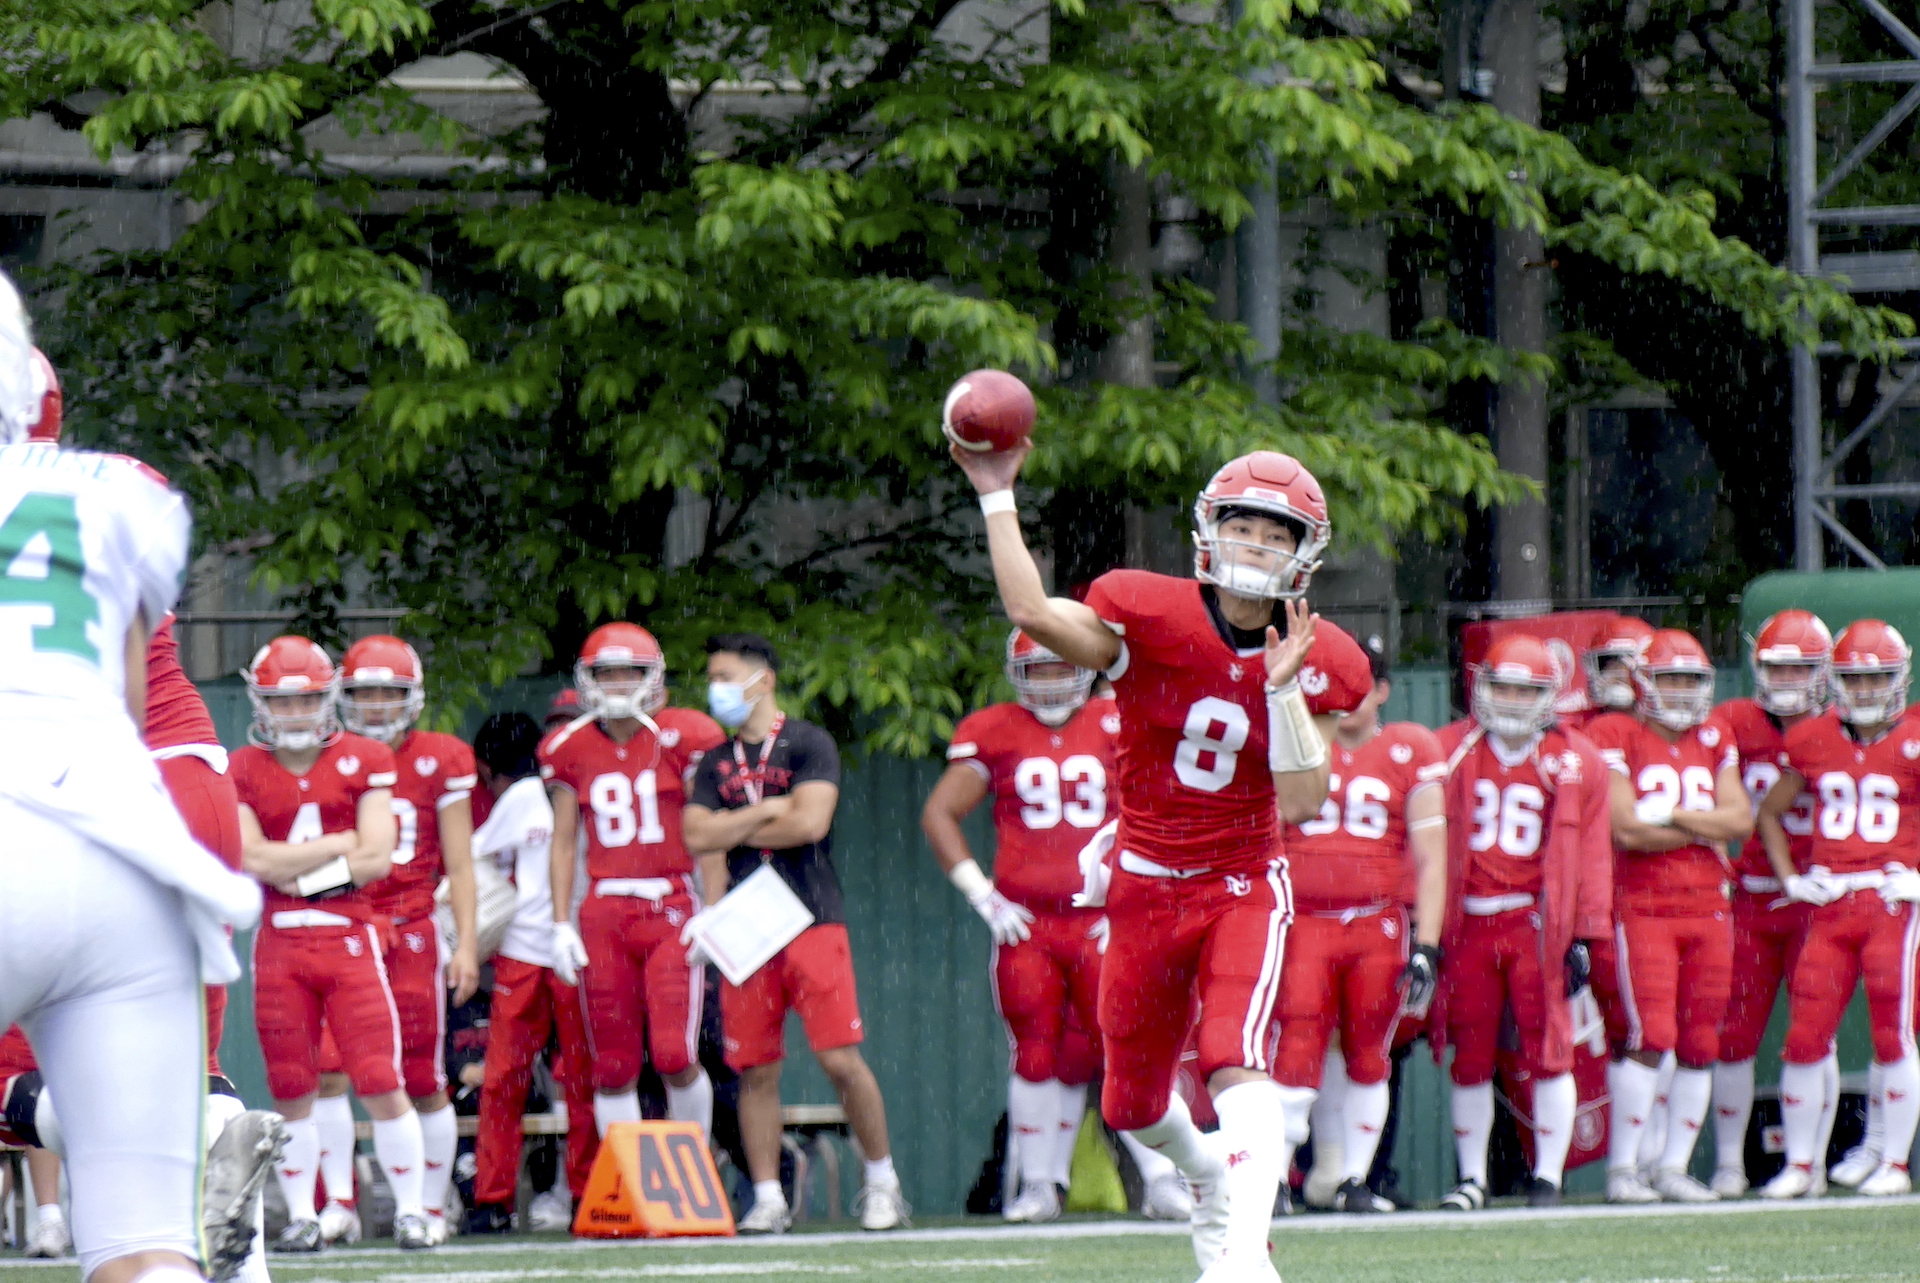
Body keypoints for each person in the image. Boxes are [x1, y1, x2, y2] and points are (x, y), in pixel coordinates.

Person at [951, 441, 1367, 1283]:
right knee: (1132, 1104)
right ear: (1208, 531)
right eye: (1241, 526)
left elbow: (1301, 801)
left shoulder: (1322, 655)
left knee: (1232, 1051)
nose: (1255, 546)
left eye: (1274, 533)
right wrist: (997, 492)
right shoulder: (1145, 612)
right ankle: (1211, 1176)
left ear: (1304, 554)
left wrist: (1283, 687)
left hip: (1245, 880)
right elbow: (1032, 611)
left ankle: (1244, 1259)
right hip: (1143, 885)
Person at [0, 268, 266, 1283]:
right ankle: (211, 1172)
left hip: (24, 803)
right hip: (157, 789)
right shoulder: (120, 491)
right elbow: (120, 684)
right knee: (150, 1173)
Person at [923, 629, 1186, 1223]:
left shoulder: (1121, 720)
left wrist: (1132, 903)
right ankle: (1041, 1184)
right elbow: (940, 812)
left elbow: (1161, 810)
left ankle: (1165, 1177)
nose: (1048, 683)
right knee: (1037, 1053)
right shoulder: (993, 730)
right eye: (1034, 671)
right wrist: (982, 896)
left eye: (1058, 668)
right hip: (1029, 923)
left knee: (1129, 1046)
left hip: (1103, 920)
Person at [681, 633, 908, 1234]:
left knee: (839, 1058)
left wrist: (736, 824)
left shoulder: (807, 742)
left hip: (810, 916)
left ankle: (882, 1181)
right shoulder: (714, 760)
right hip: (746, 927)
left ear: (763, 679)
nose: (717, 689)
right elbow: (697, 836)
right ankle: (767, 1196)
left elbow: (810, 822)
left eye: (725, 675)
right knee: (754, 1068)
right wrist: (765, 812)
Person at [232, 635, 433, 1251]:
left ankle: (412, 1210)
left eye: (306, 702)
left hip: (347, 934)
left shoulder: (366, 755)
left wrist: (291, 864)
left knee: (377, 1074)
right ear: (260, 703)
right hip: (281, 943)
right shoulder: (240, 767)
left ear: (327, 699)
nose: (293, 715)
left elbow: (374, 859)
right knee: (291, 1082)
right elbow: (248, 855)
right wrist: (333, 846)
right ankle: (304, 1214)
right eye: (280, 703)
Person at [296, 635, 479, 1245]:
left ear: (413, 696)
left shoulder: (441, 758)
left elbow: (460, 863)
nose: (375, 705)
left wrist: (469, 944)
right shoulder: (325, 756)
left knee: (419, 1075)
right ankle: (339, 1201)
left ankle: (427, 1206)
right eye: (364, 692)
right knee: (327, 1072)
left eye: (389, 692)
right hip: (344, 925)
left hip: (411, 929)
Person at [1429, 634, 1612, 1210]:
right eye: (1500, 687)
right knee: (1472, 1053)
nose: (1509, 700)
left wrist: (1583, 931)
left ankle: (1548, 1177)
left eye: (1523, 689)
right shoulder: (1449, 749)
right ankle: (1472, 1179)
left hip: (1535, 924)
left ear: (1548, 694)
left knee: (1549, 1049)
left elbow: (1592, 856)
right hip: (1469, 925)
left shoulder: (1575, 758)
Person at [1274, 635, 1447, 1214]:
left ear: (1382, 691)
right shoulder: (1293, 744)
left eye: (1358, 686)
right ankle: (1273, 1177)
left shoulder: (1409, 748)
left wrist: (1428, 942)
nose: (1346, 700)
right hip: (1304, 919)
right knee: (1297, 1042)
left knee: (1369, 1051)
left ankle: (1351, 1178)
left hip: (1377, 923)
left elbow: (1432, 855)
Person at [540, 623, 725, 1144]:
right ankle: (626, 1184)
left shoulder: (685, 734)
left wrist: (715, 906)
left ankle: (693, 1167)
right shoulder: (567, 746)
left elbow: (705, 832)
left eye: (630, 673)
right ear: (587, 679)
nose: (618, 684)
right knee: (614, 1064)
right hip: (604, 912)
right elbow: (563, 842)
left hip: (671, 904)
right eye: (607, 673)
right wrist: (559, 922)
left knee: (674, 1053)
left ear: (654, 677)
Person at [1585, 629, 1750, 1204]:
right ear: (1643, 683)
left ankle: (1673, 1167)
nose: (1681, 691)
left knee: (1702, 1039)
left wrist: (1674, 815)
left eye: (1691, 679)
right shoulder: (1613, 732)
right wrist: (1699, 825)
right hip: (1644, 907)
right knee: (1650, 1033)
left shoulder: (1715, 734)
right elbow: (1626, 828)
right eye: (1671, 678)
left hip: (1709, 906)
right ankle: (1624, 1169)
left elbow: (1739, 822)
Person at [1758, 619, 1920, 1199]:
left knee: (1893, 1034)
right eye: (1855, 678)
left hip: (1892, 901)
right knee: (1804, 1034)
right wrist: (1791, 879)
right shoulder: (1811, 739)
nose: (1868, 690)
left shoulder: (1916, 734)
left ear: (1898, 678)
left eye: (1878, 678)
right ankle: (1802, 1165)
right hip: (1830, 903)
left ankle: (1895, 1164)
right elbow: (1771, 814)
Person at [1710, 610, 1839, 1197]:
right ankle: (1730, 1165)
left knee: (1815, 1034)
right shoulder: (1733, 722)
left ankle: (1808, 1165)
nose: (1786, 682)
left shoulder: (1843, 727)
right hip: (1753, 896)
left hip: (1819, 901)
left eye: (1799, 669)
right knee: (1733, 1034)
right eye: (1775, 669)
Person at [467, 712, 598, 1233]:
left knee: (585, 1079)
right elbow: (473, 856)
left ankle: (588, 1193)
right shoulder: (525, 796)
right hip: (523, 950)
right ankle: (493, 1199)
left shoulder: (599, 792)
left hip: (579, 951)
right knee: (503, 1079)